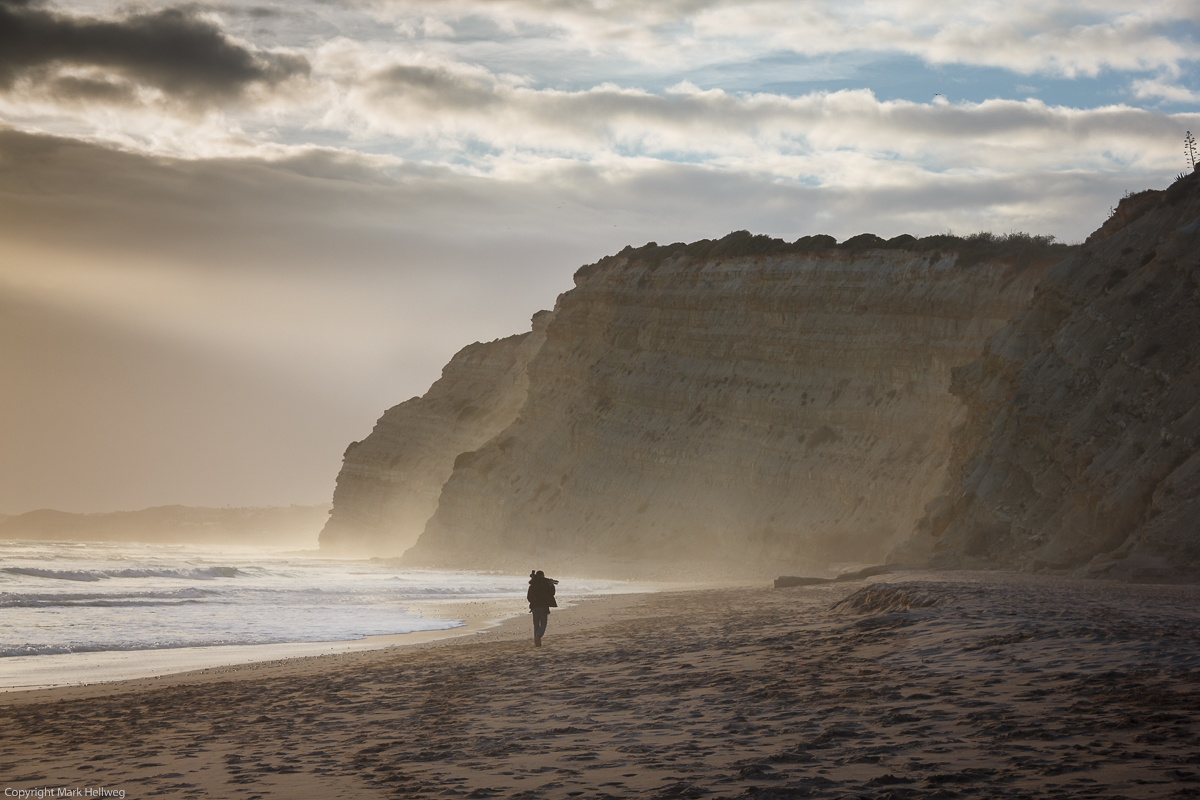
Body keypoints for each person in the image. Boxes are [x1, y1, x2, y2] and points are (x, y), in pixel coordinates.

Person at [526, 569, 558, 647]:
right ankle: (538, 635)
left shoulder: (532, 585)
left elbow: (528, 597)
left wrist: (534, 601)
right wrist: (551, 584)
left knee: (536, 625)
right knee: (543, 624)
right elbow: (552, 593)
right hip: (543, 606)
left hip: (534, 607)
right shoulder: (545, 584)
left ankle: (537, 643)